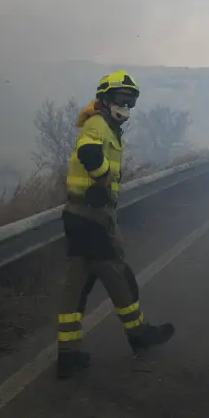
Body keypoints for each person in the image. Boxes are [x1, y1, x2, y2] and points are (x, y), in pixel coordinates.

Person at [57, 70, 175, 379]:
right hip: (93, 217)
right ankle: (139, 334)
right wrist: (102, 178)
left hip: (78, 215)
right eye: (122, 100)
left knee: (76, 286)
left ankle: (67, 355)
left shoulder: (105, 124)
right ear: (105, 99)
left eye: (131, 101)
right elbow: (88, 152)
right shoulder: (98, 124)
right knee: (118, 275)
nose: (127, 107)